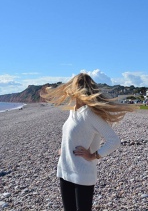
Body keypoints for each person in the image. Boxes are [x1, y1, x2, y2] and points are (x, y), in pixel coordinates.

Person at [41, 73, 137, 211]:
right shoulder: (73, 112)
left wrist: (94, 155)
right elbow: (73, 135)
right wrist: (64, 149)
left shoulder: (89, 113)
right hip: (64, 171)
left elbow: (114, 141)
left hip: (82, 175)